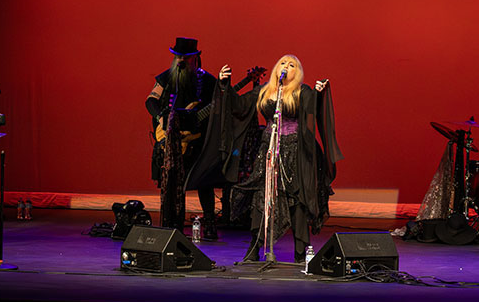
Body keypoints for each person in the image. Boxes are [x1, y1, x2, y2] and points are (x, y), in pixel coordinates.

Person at [204, 54, 342, 263]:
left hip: (295, 151)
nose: (286, 66)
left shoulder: (302, 91)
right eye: (283, 63)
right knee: (262, 197)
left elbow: (312, 110)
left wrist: (319, 93)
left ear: (298, 72)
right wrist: (225, 85)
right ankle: (254, 248)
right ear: (277, 68)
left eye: (292, 65)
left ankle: (300, 252)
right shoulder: (265, 91)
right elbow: (240, 105)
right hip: (268, 150)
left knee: (296, 199)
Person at [145, 37, 220, 235]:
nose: (181, 60)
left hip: (197, 140)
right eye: (178, 56)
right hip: (171, 139)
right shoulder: (166, 78)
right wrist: (160, 117)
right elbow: (151, 100)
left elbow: (219, 107)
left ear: (195, 58)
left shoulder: (207, 81)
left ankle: (209, 223)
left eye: (185, 57)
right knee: (171, 182)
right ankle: (172, 222)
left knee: (204, 182)